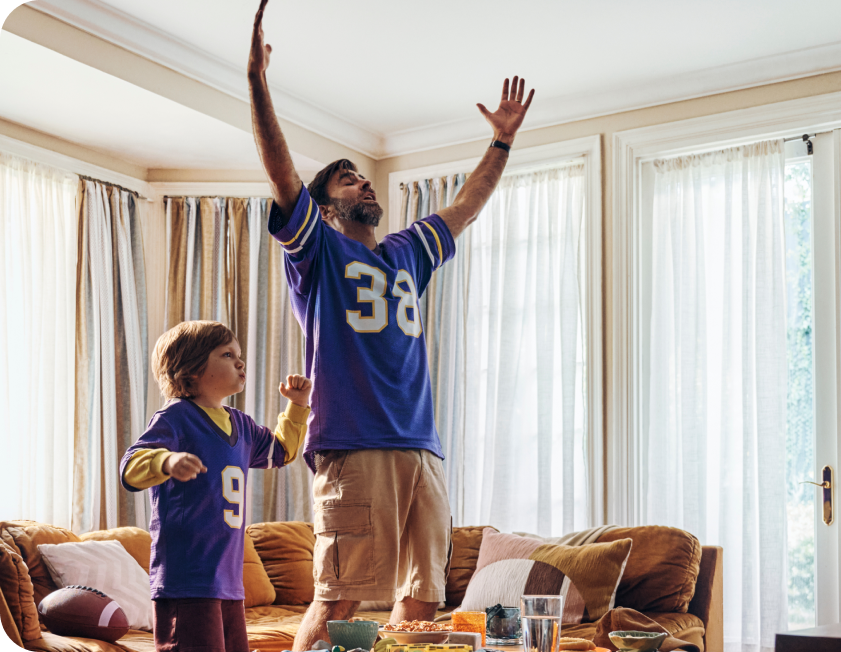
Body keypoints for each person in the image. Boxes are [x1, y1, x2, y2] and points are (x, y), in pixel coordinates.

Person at [246, 0, 535, 648]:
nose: (363, 184)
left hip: (421, 448)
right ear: (324, 206)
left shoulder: (409, 250)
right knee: (340, 597)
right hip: (355, 444)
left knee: (420, 603)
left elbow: (467, 204)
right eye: (347, 180)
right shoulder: (318, 250)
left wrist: (502, 140)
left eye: (364, 178)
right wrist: (259, 86)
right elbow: (280, 170)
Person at [119, 320, 312, 652]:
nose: (240, 362)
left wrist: (297, 405)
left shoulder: (242, 425)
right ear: (191, 370)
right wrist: (166, 462)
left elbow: (281, 452)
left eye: (239, 354)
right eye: (226, 354)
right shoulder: (175, 417)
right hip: (187, 578)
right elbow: (130, 467)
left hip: (228, 581)